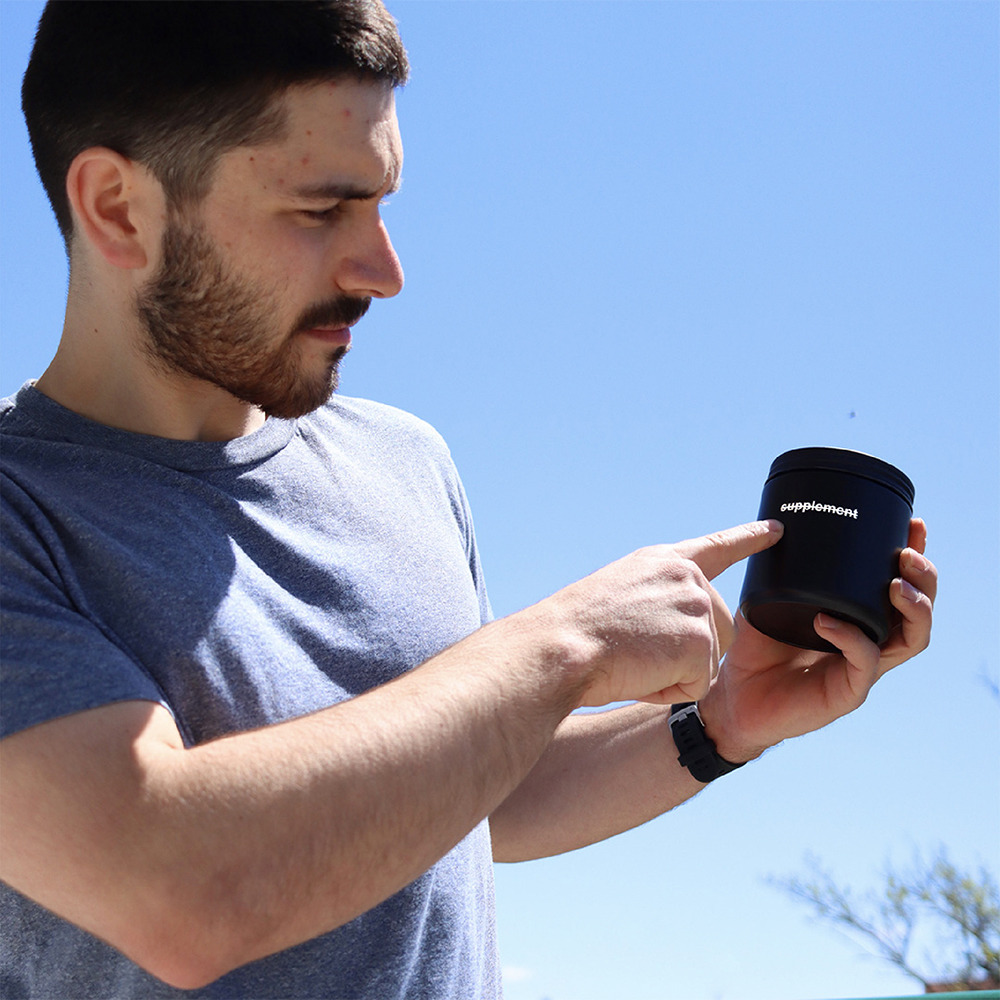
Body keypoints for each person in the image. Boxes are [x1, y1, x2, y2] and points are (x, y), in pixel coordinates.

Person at [0, 2, 937, 998]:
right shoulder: (23, 514)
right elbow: (179, 888)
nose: (385, 272)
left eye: (382, 204)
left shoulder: (404, 461)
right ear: (117, 208)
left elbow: (454, 794)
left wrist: (717, 721)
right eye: (322, 211)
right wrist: (561, 643)